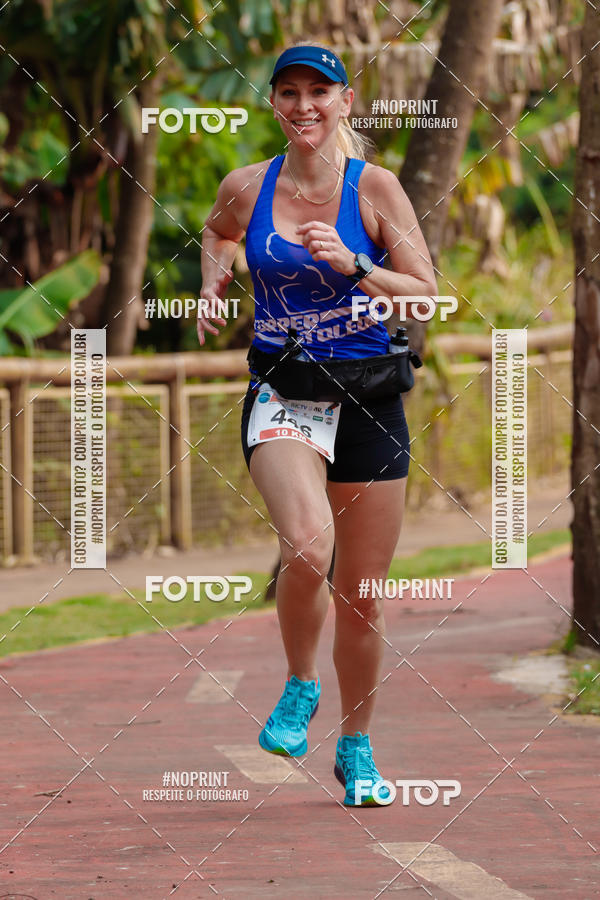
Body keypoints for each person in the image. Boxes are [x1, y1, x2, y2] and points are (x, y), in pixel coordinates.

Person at [198, 43, 437, 806]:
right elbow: (218, 230)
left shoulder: (376, 189)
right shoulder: (248, 185)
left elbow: (424, 296)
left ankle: (357, 747)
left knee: (362, 593)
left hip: (370, 397)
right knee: (306, 545)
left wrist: (355, 267)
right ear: (274, 103)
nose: (304, 106)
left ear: (344, 101)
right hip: (284, 390)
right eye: (289, 93)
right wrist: (214, 276)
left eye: (319, 93)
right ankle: (300, 684)